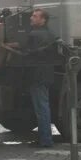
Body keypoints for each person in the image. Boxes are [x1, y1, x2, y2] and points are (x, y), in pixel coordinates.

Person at [22, 8, 57, 148]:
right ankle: (45, 138)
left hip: (37, 75)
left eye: (35, 16)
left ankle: (46, 140)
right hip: (46, 74)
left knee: (41, 108)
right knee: (42, 107)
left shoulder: (35, 34)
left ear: (43, 20)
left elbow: (27, 52)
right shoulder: (50, 34)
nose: (31, 18)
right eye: (32, 15)